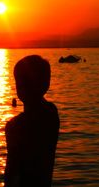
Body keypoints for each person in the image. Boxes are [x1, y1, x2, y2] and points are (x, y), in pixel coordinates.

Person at [4, 55, 60, 187]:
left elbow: (12, 171)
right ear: (46, 84)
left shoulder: (15, 126)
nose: (20, 86)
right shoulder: (51, 112)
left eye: (22, 82)